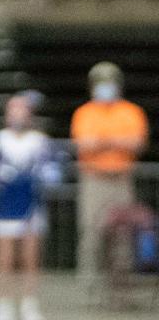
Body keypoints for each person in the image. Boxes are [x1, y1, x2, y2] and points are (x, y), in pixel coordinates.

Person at [0, 92, 63, 320]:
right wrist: (0, 176)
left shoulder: (41, 141)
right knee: (4, 258)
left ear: (30, 114)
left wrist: (38, 176)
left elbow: (54, 174)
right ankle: (4, 305)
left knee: (30, 256)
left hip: (31, 205)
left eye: (22, 110)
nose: (17, 115)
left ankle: (29, 304)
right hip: (4, 205)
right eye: (13, 110)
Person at [70, 61, 149, 293]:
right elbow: (84, 144)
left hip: (121, 180)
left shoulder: (131, 112)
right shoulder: (84, 113)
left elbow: (136, 143)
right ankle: (89, 286)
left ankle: (120, 289)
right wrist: (115, 142)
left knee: (123, 234)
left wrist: (102, 142)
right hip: (93, 180)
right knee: (91, 232)